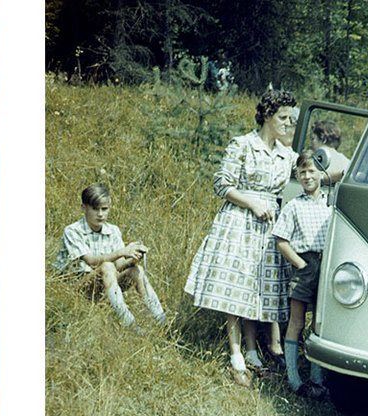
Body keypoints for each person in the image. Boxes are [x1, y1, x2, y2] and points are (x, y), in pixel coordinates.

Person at [184, 90, 298, 386]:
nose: (288, 123)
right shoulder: (244, 145)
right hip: (240, 222)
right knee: (236, 288)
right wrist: (252, 202)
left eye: (291, 119)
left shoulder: (286, 153)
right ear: (268, 116)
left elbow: (312, 172)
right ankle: (236, 355)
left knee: (257, 289)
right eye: (283, 118)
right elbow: (222, 184)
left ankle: (253, 353)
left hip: (268, 228)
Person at [53, 183, 165, 325]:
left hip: (106, 281)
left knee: (137, 270)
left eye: (104, 209)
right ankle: (128, 322)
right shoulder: (72, 231)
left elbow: (119, 265)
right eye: (95, 209)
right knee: (106, 266)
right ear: (84, 208)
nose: (100, 214)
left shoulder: (113, 230)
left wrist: (133, 258)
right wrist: (121, 252)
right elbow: (91, 261)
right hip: (77, 289)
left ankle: (161, 320)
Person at [274, 149, 334, 398]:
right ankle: (294, 379)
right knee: (297, 322)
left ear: (321, 174)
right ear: (296, 175)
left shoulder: (331, 205)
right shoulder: (294, 206)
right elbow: (281, 241)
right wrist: (301, 265)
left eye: (312, 171)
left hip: (327, 264)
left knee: (319, 323)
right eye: (302, 172)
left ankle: (317, 378)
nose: (307, 176)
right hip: (304, 264)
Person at [310, 119, 352, 186]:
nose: (311, 144)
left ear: (323, 139)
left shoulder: (314, 160)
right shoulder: (347, 162)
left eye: (313, 139)